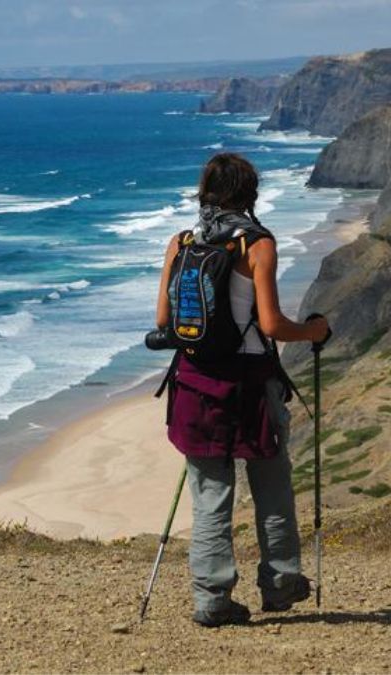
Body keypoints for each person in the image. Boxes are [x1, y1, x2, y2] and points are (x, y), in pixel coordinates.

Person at [155, 153, 330, 627]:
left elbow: (162, 322)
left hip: (194, 383)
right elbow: (272, 325)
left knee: (210, 493)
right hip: (251, 383)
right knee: (271, 484)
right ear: (249, 194)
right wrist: (313, 332)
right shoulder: (257, 244)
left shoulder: (181, 243)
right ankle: (281, 583)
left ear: (204, 192)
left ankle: (211, 598)